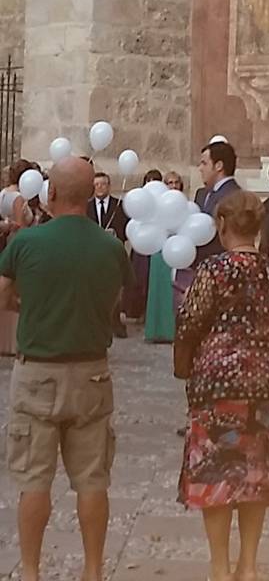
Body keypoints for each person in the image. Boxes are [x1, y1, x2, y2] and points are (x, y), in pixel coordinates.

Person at [0, 156, 132, 581]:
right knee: (93, 479)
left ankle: (32, 572)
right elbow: (114, 302)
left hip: (37, 371)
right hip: (91, 371)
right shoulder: (110, 246)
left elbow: (2, 294)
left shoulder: (25, 243)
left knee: (34, 478)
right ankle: (93, 571)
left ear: (50, 193)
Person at [176, 191, 269, 581]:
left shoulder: (214, 270)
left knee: (215, 473)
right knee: (255, 471)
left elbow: (190, 321)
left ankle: (221, 568)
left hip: (217, 383)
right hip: (263, 380)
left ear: (222, 226)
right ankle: (250, 565)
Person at [175, 142, 241, 309]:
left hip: (219, 274)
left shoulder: (233, 196)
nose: (200, 168)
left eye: (204, 163)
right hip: (200, 272)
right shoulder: (203, 194)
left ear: (218, 166)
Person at [0, 159, 37, 355]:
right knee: (15, 290)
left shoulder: (3, 193)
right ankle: (13, 342)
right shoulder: (18, 197)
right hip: (17, 244)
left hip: (4, 241)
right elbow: (22, 227)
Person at [87, 172, 129, 338]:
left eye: (103, 184)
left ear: (109, 186)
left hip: (113, 254)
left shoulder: (119, 205)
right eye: (96, 185)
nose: (100, 188)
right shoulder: (87, 206)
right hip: (93, 253)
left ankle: (115, 321)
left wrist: (116, 234)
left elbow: (126, 229)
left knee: (115, 289)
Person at [145, 171, 182, 344]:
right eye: (169, 183)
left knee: (174, 289)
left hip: (178, 249)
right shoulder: (157, 206)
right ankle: (155, 329)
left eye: (176, 182)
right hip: (159, 249)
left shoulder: (184, 204)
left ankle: (171, 330)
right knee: (159, 288)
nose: (173, 186)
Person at [125, 170, 163, 321]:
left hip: (158, 245)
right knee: (139, 277)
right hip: (141, 244)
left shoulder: (163, 202)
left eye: (155, 180)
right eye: (149, 180)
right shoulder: (140, 201)